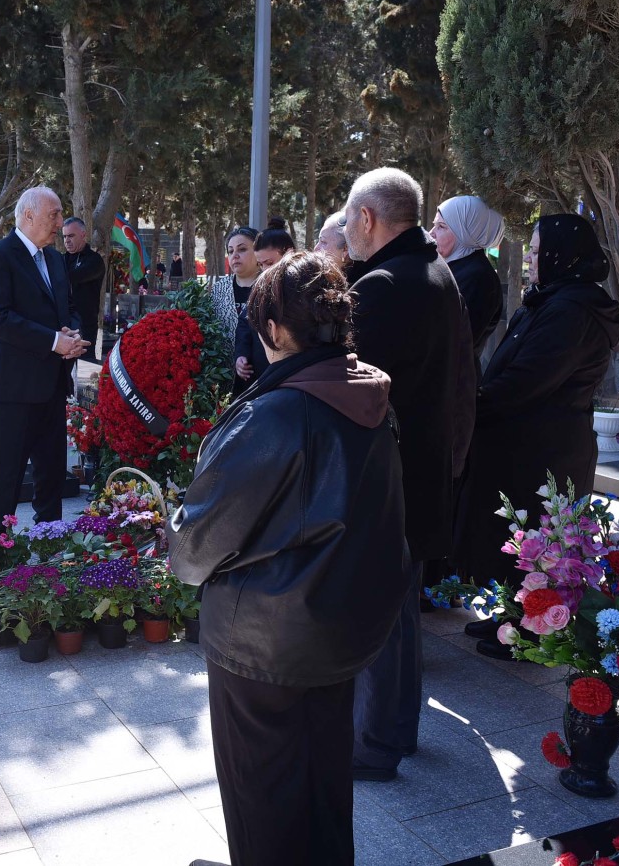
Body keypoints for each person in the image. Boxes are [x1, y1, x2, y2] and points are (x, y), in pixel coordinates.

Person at [170, 253, 410, 866]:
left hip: (262, 643)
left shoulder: (275, 414)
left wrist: (174, 532)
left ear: (274, 330)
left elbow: (195, 548)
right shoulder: (370, 397)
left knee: (262, 795)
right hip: (342, 627)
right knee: (324, 779)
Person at [342, 167, 471, 781]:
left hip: (387, 477)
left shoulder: (383, 284)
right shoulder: (436, 270)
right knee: (400, 615)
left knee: (380, 616)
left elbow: (353, 389)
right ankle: (396, 729)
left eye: (348, 216)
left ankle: (376, 743)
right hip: (422, 467)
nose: (346, 228)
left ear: (366, 218)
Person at [454, 214, 619, 658]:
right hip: (526, 442)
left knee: (539, 543)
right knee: (519, 538)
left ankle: (530, 633)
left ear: (560, 255)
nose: (529, 258)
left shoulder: (572, 310)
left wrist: (475, 405)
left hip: (545, 448)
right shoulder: (555, 299)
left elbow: (529, 378)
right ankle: (512, 616)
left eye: (535, 249)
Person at [0, 186, 87, 532]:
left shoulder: (54, 259)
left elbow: (68, 307)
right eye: (54, 214)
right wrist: (55, 342)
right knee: (6, 474)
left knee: (52, 473)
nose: (60, 222)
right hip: (13, 388)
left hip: (52, 384)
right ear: (28, 215)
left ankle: (49, 539)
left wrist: (72, 334)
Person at [430, 195, 505, 364]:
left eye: (441, 226)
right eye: (435, 224)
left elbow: (451, 339)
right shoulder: (454, 267)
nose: (431, 233)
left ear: (466, 232)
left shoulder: (479, 279)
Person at [233, 218, 295, 392]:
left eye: (270, 263)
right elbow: (244, 324)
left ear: (289, 253)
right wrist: (241, 355)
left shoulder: (305, 289)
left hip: (292, 379)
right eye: (261, 265)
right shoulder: (260, 286)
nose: (266, 270)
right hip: (259, 379)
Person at [210, 225, 258, 395]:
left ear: (257, 251)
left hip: (258, 376)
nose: (235, 256)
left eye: (242, 249)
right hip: (223, 378)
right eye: (230, 251)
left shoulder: (269, 286)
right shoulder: (219, 289)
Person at [62, 218, 106, 362]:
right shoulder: (61, 260)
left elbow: (74, 277)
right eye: (64, 236)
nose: (67, 240)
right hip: (62, 324)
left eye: (71, 236)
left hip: (84, 325)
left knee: (84, 365)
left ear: (83, 234)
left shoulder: (94, 260)